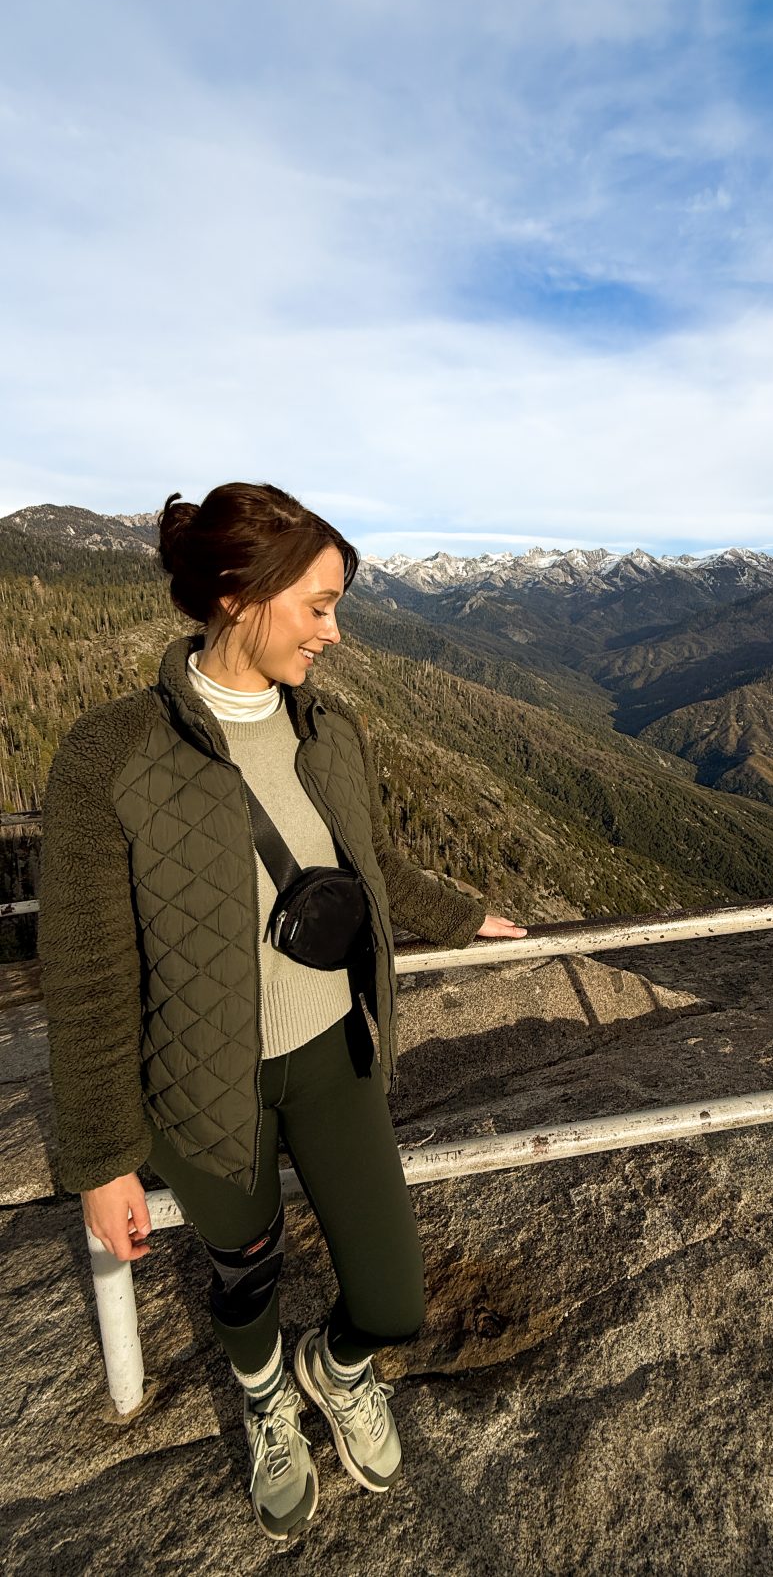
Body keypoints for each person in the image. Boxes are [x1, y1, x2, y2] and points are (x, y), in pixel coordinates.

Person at [37, 481, 527, 1543]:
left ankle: (334, 1368)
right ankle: (267, 1400)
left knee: (393, 1297)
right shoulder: (110, 756)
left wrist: (465, 912)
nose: (335, 632)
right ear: (235, 595)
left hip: (328, 1049)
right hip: (199, 1080)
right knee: (244, 1276)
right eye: (317, 606)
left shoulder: (329, 731)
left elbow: (367, 862)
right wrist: (103, 1158)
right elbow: (82, 972)